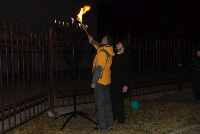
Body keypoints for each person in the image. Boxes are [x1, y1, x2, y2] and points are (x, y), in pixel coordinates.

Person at [88, 35, 115, 132]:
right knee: (107, 103)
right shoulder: (108, 51)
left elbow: (98, 69)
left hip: (99, 82)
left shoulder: (101, 54)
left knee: (100, 104)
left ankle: (102, 126)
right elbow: (99, 47)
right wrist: (92, 41)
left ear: (106, 42)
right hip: (107, 81)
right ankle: (109, 123)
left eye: (103, 39)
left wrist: (94, 82)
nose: (101, 39)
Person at [110, 40, 132, 124]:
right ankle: (113, 116)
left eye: (118, 44)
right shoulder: (114, 55)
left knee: (119, 102)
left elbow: (128, 72)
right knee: (111, 100)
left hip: (120, 83)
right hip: (111, 81)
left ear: (122, 48)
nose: (116, 45)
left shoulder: (126, 58)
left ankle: (121, 119)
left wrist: (126, 85)